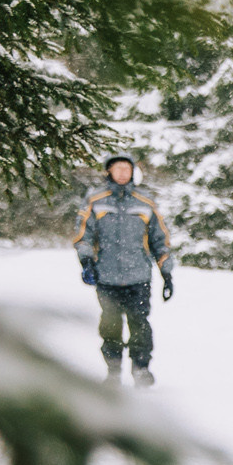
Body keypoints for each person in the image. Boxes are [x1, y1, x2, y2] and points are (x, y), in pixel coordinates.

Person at [72, 153, 176, 386]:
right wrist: (86, 261)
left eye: (126, 168)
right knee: (110, 326)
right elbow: (83, 235)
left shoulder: (145, 202)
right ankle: (113, 370)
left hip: (138, 277)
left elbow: (160, 240)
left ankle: (141, 369)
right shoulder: (95, 200)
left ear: (132, 172)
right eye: (117, 168)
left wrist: (166, 273)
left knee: (140, 324)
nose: (122, 173)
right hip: (106, 277)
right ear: (109, 171)